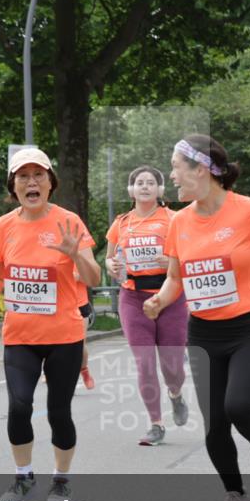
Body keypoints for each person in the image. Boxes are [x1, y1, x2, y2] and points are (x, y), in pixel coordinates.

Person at [143, 135, 250, 501]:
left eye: (176, 166)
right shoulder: (179, 222)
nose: (171, 175)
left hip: (249, 328)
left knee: (239, 405)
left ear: (202, 169)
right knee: (215, 425)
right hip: (203, 334)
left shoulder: (249, 210)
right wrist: (160, 300)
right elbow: (175, 278)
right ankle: (234, 494)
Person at [0, 148, 100, 501]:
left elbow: (93, 276)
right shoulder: (3, 226)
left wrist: (75, 253)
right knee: (19, 405)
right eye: (23, 176)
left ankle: (61, 481)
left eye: (38, 175)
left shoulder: (69, 222)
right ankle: (23, 477)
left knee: (59, 412)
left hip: (64, 335)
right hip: (20, 336)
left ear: (50, 182)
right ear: (13, 186)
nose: (31, 182)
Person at [105, 165, 189, 446]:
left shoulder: (174, 219)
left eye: (150, 182)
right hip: (133, 297)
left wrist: (173, 262)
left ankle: (175, 395)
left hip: (170, 297)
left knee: (172, 365)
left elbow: (189, 255)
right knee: (145, 363)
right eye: (139, 182)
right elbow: (108, 259)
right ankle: (156, 423)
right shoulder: (121, 223)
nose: (144, 186)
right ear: (131, 190)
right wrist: (112, 265)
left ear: (160, 190)